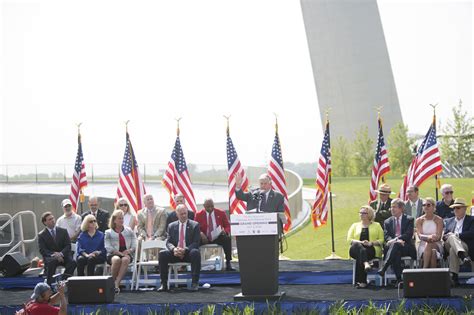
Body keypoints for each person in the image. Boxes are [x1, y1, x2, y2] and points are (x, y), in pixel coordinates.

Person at [157, 204, 201, 292]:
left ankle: (195, 283)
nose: (184, 215)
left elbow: (196, 242)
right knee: (162, 254)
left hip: (188, 253)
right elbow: (168, 242)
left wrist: (185, 249)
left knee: (195, 252)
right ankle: (164, 284)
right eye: (181, 214)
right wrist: (174, 249)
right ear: (177, 214)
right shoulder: (171, 226)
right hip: (175, 253)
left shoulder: (194, 225)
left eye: (185, 213)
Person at [377, 198, 416, 286]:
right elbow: (386, 236)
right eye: (391, 207)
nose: (392, 209)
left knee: (396, 245)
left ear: (401, 208)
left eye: (394, 207)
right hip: (393, 247)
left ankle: (384, 267)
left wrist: (395, 240)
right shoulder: (387, 221)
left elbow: (408, 235)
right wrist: (396, 241)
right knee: (396, 249)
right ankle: (399, 280)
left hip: (406, 247)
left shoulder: (409, 219)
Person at [347, 205, 384, 288]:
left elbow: (382, 240)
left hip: (371, 249)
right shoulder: (354, 225)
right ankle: (366, 263)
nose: (361, 214)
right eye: (360, 213)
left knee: (361, 254)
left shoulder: (377, 225)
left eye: (364, 213)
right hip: (355, 249)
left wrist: (371, 243)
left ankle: (362, 281)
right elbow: (349, 240)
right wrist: (361, 242)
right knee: (358, 246)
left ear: (369, 214)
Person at [195, 198, 235, 271]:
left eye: (212, 206)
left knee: (227, 239)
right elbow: (195, 228)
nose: (210, 208)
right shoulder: (198, 214)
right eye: (208, 207)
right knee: (195, 242)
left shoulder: (221, 213)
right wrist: (201, 233)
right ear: (204, 206)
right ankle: (196, 264)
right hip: (204, 238)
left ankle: (228, 263)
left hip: (217, 237)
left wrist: (225, 231)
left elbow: (228, 226)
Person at [38, 212, 76, 286]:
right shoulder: (41, 235)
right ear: (45, 222)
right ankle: (49, 285)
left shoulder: (63, 231)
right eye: (49, 219)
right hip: (51, 257)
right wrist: (55, 255)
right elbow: (42, 250)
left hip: (64, 256)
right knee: (51, 263)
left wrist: (61, 254)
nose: (52, 220)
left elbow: (68, 246)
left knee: (72, 263)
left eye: (53, 218)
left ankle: (64, 282)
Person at [443, 198, 474, 285]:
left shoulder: (471, 220)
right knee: (451, 237)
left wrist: (457, 235)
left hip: (465, 245)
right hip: (448, 244)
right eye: (454, 208)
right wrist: (452, 236)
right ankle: (463, 256)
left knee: (453, 250)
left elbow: (472, 233)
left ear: (464, 209)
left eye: (458, 208)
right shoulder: (449, 221)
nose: (455, 210)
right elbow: (444, 236)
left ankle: (454, 277)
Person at [105, 210, 137, 292]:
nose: (121, 220)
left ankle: (116, 283)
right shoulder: (108, 232)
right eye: (119, 219)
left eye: (122, 218)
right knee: (116, 260)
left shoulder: (129, 230)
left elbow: (134, 244)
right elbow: (107, 246)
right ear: (114, 220)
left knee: (125, 259)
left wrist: (129, 250)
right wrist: (118, 253)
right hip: (113, 253)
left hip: (126, 253)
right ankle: (111, 282)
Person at [415, 198, 443, 268]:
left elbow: (439, 236)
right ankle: (433, 275)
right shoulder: (419, 220)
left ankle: (424, 268)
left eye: (428, 205)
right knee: (433, 253)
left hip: (436, 243)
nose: (426, 207)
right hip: (422, 243)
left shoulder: (439, 220)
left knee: (430, 244)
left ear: (434, 207)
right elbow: (419, 235)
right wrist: (428, 238)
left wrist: (432, 238)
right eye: (424, 205)